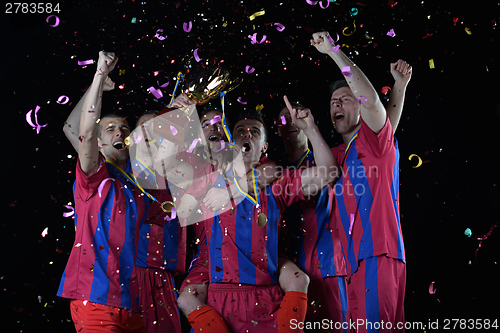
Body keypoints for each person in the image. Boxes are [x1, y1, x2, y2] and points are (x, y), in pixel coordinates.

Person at [157, 100, 338, 332]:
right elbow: (161, 158)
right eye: (240, 131)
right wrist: (175, 111)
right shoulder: (207, 173)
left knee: (299, 280)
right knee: (185, 298)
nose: (247, 134)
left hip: (266, 295)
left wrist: (310, 128)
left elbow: (328, 173)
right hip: (218, 295)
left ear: (264, 146)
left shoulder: (276, 183)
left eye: (255, 131)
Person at [57, 51, 173, 333]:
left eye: (123, 128)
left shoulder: (140, 188)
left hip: (130, 301)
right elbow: (79, 130)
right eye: (109, 129)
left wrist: (176, 119)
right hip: (93, 298)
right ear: (98, 143)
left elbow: (171, 206)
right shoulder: (94, 176)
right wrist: (99, 77)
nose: (119, 132)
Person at [310, 32, 410, 332]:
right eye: (332, 102)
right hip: (354, 264)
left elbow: (372, 103)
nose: (336, 105)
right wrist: (310, 127)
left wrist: (334, 52)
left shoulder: (375, 144)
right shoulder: (342, 154)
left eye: (345, 98)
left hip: (377, 254)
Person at [277, 102, 349, 331]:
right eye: (283, 120)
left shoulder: (326, 159)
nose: (290, 122)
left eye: (295, 117)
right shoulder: (275, 172)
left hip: (327, 268)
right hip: (288, 277)